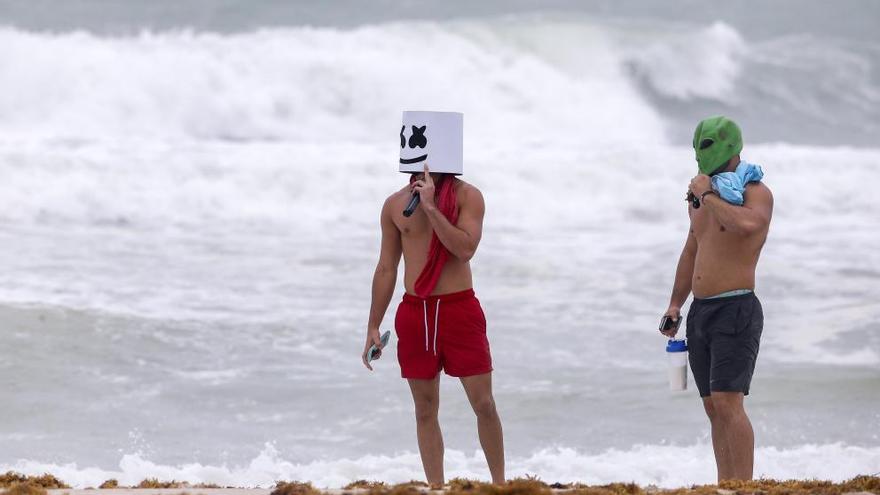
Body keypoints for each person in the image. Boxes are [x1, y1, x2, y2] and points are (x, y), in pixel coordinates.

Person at [362, 163, 504, 486]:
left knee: (483, 404)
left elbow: (465, 248)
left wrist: (431, 207)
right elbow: (386, 267)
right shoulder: (395, 206)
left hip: (459, 310)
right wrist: (373, 324)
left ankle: (501, 486)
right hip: (416, 314)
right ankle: (437, 488)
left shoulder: (469, 197)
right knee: (425, 409)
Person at [661, 116, 773, 481]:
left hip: (736, 307)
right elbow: (692, 250)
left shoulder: (756, 192)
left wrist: (708, 196)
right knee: (712, 407)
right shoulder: (698, 200)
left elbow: (747, 225)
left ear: (731, 147)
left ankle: (744, 486)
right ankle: (725, 484)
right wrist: (676, 304)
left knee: (729, 402)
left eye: (709, 145)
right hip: (701, 311)